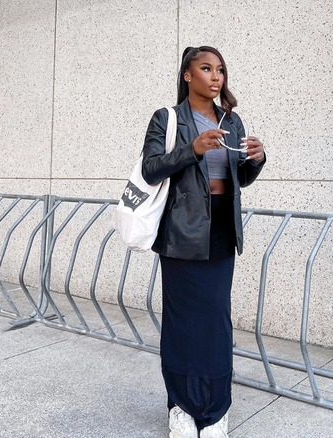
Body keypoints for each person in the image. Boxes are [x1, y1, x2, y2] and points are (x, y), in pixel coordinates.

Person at [141, 46, 266, 438]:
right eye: (206, 69)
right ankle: (180, 405)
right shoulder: (168, 118)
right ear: (187, 75)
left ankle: (215, 410)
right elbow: (150, 169)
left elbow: (238, 180)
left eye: (221, 70)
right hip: (180, 232)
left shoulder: (233, 121)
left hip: (221, 232)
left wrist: (256, 161)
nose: (216, 77)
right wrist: (191, 149)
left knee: (215, 322)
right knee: (181, 322)